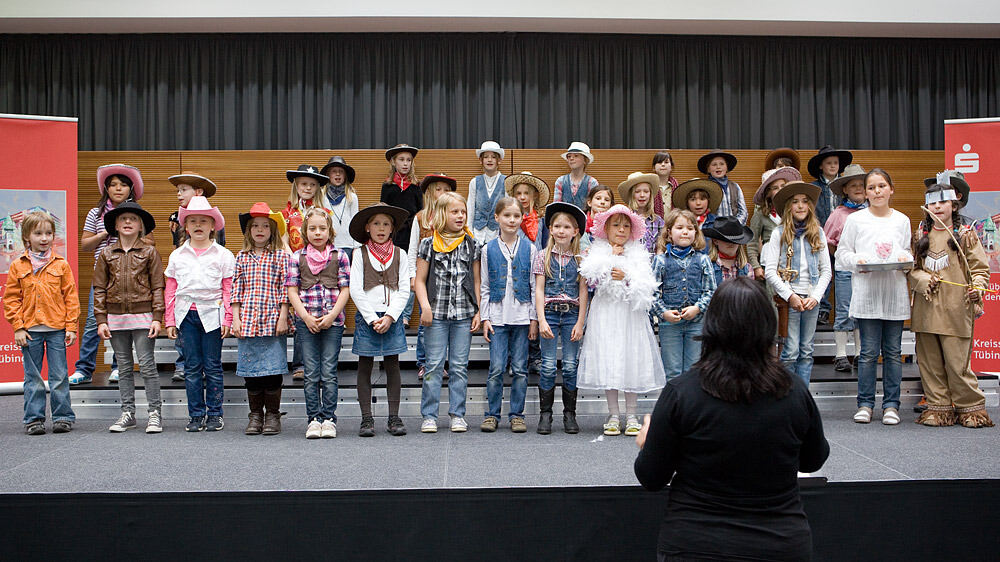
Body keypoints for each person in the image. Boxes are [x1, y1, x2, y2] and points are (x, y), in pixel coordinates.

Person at [634, 277, 829, 562]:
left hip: (696, 544)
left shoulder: (682, 393)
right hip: (778, 543)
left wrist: (649, 442)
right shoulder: (794, 390)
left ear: (712, 325)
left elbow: (651, 477)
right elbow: (813, 459)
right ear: (767, 325)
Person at [908, 184, 994, 428]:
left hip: (956, 308)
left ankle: (970, 409)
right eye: (933, 203)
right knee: (930, 363)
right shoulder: (920, 234)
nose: (937, 207)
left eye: (942, 202)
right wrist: (923, 279)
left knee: (958, 364)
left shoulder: (966, 234)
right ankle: (939, 409)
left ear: (954, 205)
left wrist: (977, 286)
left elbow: (979, 269)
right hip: (926, 308)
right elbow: (912, 270)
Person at [578, 205, 665, 437]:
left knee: (630, 359)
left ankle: (632, 415)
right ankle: (614, 414)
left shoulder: (639, 253)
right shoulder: (597, 252)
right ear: (606, 228)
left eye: (626, 225)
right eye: (616, 225)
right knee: (609, 359)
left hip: (629, 314)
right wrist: (610, 261)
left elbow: (646, 287)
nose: (621, 229)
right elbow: (592, 280)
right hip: (606, 313)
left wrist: (627, 277)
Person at [835, 168, 912, 425]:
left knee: (893, 352)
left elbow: (907, 252)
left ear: (891, 189)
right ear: (866, 192)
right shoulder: (856, 221)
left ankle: (891, 405)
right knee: (867, 353)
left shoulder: (901, 220)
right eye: (871, 187)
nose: (877, 191)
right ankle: (865, 404)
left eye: (881, 186)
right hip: (867, 295)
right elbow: (842, 255)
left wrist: (905, 260)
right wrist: (858, 259)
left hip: (893, 294)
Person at [4, 211, 79, 435]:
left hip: (56, 329)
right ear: (27, 236)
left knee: (59, 376)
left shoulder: (61, 265)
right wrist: (18, 326)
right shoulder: (18, 265)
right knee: (33, 378)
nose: (44, 238)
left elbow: (71, 297)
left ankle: (62, 416)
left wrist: (71, 326)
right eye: (38, 233)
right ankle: (33, 419)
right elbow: (11, 299)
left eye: (48, 233)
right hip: (30, 331)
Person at [165, 196, 236, 432]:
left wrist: (228, 317)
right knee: (192, 367)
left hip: (212, 314)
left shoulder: (223, 255)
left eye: (203, 221)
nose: (198, 225)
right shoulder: (177, 255)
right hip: (186, 315)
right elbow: (171, 289)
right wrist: (170, 319)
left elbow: (228, 289)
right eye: (193, 220)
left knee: (213, 366)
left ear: (213, 225)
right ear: (185, 226)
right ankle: (196, 414)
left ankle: (215, 413)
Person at [72, 164, 146, 385]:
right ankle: (83, 369)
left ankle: (119, 367)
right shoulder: (96, 213)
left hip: (128, 277)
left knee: (122, 323)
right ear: (106, 188)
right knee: (93, 323)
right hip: (102, 277)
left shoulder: (136, 212)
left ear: (130, 189)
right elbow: (85, 245)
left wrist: (130, 233)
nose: (118, 188)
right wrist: (107, 231)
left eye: (123, 184)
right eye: (113, 184)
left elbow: (149, 242)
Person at [94, 202, 165, 434]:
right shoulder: (106, 253)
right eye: (122, 218)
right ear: (115, 224)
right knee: (123, 367)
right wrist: (101, 319)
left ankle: (154, 414)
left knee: (146, 365)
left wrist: (157, 316)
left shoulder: (149, 252)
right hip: (115, 316)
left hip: (144, 315)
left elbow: (157, 286)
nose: (127, 222)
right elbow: (99, 288)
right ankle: (128, 413)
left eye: (132, 219)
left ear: (140, 226)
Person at [414, 191, 482, 433]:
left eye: (463, 211)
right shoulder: (428, 244)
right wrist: (425, 307)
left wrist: (478, 311)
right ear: (442, 214)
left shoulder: (472, 243)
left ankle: (457, 414)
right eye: (455, 211)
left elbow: (476, 281)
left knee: (459, 366)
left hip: (463, 315)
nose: (460, 215)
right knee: (433, 365)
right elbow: (419, 281)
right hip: (437, 315)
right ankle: (429, 415)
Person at [286, 208, 351, 439]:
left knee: (329, 372)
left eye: (322, 228)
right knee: (312, 372)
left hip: (333, 322)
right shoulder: (297, 257)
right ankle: (313, 419)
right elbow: (292, 291)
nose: (317, 232)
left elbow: (345, 290)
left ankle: (329, 419)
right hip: (307, 322)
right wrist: (305, 317)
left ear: (330, 231)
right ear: (305, 231)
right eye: (312, 228)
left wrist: (332, 315)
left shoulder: (340, 256)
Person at [349, 203, 412, 437]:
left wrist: (391, 316)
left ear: (393, 228)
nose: (381, 228)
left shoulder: (400, 254)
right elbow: (355, 289)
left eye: (386, 223)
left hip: (391, 317)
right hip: (368, 318)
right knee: (364, 365)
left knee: (392, 365)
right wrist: (370, 318)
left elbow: (404, 289)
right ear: (367, 227)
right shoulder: (359, 253)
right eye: (376, 223)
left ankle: (394, 417)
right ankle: (366, 418)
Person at [762, 182, 832, 384]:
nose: (800, 206)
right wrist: (790, 295)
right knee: (790, 350)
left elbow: (826, 271)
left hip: (811, 298)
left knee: (807, 350)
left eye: (804, 202)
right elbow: (770, 272)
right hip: (790, 299)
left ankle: (802, 396)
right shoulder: (779, 233)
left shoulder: (818, 233)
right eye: (795, 202)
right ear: (788, 207)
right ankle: (786, 394)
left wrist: (816, 297)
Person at [479, 197, 538, 433]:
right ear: (497, 218)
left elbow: (535, 286)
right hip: (498, 317)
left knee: (521, 369)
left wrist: (534, 318)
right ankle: (492, 414)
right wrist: (485, 318)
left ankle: (517, 414)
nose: (512, 220)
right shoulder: (487, 249)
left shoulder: (531, 249)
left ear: (522, 218)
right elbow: (484, 285)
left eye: (516, 216)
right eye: (507, 215)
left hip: (523, 318)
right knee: (496, 368)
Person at [232, 203, 290, 436]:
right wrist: (235, 318)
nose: (260, 230)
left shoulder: (280, 256)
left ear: (272, 230)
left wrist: (284, 316)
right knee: (251, 371)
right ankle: (255, 415)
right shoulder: (241, 257)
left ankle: (273, 415)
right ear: (248, 230)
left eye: (265, 226)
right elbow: (236, 290)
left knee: (272, 370)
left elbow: (285, 289)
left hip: (272, 319)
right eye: (255, 226)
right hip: (247, 321)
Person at [533, 202, 589, 435]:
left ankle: (569, 414)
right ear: (550, 229)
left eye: (567, 226)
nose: (562, 230)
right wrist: (541, 320)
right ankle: (545, 415)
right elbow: (538, 290)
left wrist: (580, 323)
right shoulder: (542, 256)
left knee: (569, 365)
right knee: (546, 366)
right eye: (557, 226)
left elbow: (584, 291)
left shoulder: (582, 258)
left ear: (576, 231)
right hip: (550, 313)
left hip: (572, 315)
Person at [167, 172, 223, 383]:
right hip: (186, 300)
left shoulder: (218, 245)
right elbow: (173, 280)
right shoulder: (176, 221)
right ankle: (184, 364)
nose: (179, 194)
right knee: (190, 357)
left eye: (183, 190)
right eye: (178, 191)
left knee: (211, 364)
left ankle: (215, 412)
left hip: (209, 303)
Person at [652, 209, 715, 380]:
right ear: (669, 233)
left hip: (696, 323)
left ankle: (691, 406)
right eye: (679, 227)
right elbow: (652, 294)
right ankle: (674, 406)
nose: (685, 231)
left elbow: (710, 291)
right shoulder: (660, 260)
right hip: (669, 325)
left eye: (690, 228)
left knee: (693, 370)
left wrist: (697, 308)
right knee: (672, 371)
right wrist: (663, 312)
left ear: (696, 232)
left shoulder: (703, 260)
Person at [282, 163, 331, 380]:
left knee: (319, 311)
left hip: (320, 267)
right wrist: (293, 258)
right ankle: (300, 363)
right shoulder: (286, 213)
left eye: (312, 184)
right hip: (296, 265)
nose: (308, 187)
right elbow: (282, 240)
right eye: (303, 183)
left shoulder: (325, 213)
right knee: (301, 314)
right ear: (296, 185)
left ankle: (322, 362)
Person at [407, 173, 457, 380]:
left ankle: (441, 362)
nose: (443, 193)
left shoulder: (455, 217)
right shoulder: (420, 218)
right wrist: (412, 275)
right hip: (426, 278)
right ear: (429, 193)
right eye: (438, 189)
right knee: (425, 320)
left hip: (449, 279)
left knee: (445, 321)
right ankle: (424, 362)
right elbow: (412, 249)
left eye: (447, 190)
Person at [824, 164, 868, 372]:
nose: (858, 188)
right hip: (844, 270)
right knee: (844, 310)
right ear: (845, 189)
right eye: (853, 185)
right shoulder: (839, 214)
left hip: (867, 272)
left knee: (862, 311)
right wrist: (843, 259)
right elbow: (829, 242)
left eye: (862, 185)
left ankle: (860, 353)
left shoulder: (872, 212)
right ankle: (841, 354)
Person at [808, 145, 854, 326]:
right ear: (821, 166)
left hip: (844, 238)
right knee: (823, 273)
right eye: (829, 163)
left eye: (835, 163)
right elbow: (810, 212)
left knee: (844, 273)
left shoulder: (845, 186)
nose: (833, 166)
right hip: (820, 236)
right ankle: (823, 309)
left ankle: (849, 311)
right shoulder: (813, 188)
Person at [748, 166, 801, 281]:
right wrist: (756, 267)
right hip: (769, 265)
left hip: (793, 264)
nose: (780, 189)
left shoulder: (796, 211)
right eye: (775, 188)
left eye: (783, 186)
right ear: (768, 193)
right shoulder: (761, 214)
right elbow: (751, 243)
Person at [321, 156, 361, 262]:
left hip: (347, 244)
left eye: (341, 172)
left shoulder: (352, 196)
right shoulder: (321, 196)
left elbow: (356, 221)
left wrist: (356, 246)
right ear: (328, 175)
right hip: (327, 244)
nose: (337, 174)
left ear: (345, 176)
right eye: (334, 171)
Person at [467, 141, 507, 243]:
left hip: (497, 234)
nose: (490, 160)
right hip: (477, 234)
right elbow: (470, 208)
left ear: (499, 160)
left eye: (493, 157)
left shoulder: (506, 182)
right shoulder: (474, 182)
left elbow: (508, 209)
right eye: (486, 157)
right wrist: (469, 233)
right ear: (481, 160)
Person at [697, 150, 747, 225]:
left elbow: (743, 211)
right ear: (708, 169)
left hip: (733, 228)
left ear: (727, 167)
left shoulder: (735, 186)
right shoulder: (704, 187)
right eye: (714, 164)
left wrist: (736, 225)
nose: (718, 167)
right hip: (712, 228)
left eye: (722, 164)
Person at [619, 172, 665, 254]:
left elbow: (660, 248)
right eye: (637, 191)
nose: (642, 195)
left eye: (646, 191)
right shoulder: (623, 218)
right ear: (631, 194)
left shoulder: (658, 221)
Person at [703, 216, 754, 285]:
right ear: (715, 241)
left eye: (735, 241)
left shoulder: (747, 268)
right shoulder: (707, 266)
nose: (731, 243)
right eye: (725, 240)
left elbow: (749, 294)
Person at [506, 171, 549, 246]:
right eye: (519, 193)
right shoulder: (509, 219)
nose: (522, 197)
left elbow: (545, 244)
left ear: (535, 195)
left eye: (527, 193)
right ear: (514, 196)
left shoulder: (541, 220)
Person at [553, 142, 599, 210]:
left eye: (576, 156)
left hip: (585, 219)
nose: (571, 158)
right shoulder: (560, 181)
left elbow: (594, 207)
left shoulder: (592, 182)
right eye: (569, 156)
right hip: (564, 218)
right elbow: (556, 206)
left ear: (585, 160)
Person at [582, 184, 614, 252]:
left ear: (611, 205)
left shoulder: (612, 226)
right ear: (589, 202)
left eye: (607, 200)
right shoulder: (580, 222)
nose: (602, 202)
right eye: (598, 198)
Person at [651, 150, 678, 218]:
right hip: (654, 226)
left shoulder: (678, 188)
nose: (663, 165)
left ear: (671, 167)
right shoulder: (650, 188)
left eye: (666, 162)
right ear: (654, 167)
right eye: (659, 162)